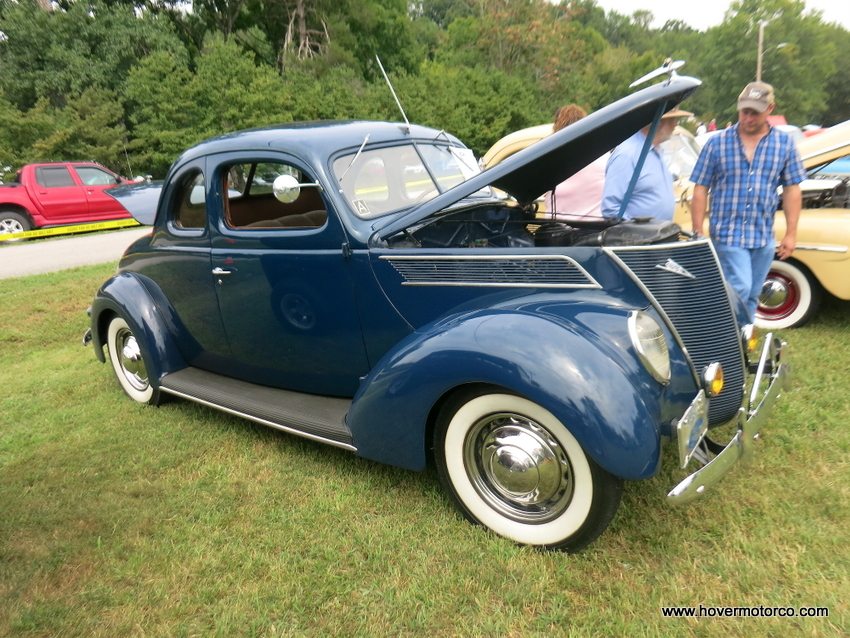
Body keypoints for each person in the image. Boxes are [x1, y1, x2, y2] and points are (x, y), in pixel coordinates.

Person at [690, 81, 806, 321]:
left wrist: (791, 234)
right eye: (745, 111)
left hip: (762, 235)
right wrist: (697, 231)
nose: (748, 118)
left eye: (755, 112)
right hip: (727, 233)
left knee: (753, 293)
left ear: (770, 109)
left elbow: (792, 189)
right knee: (739, 288)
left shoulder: (784, 144)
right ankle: (722, 337)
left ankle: (741, 343)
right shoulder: (717, 143)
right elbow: (700, 188)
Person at [600, 106, 692, 221]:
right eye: (673, 120)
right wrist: (637, 232)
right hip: (638, 237)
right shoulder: (627, 154)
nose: (675, 124)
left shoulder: (655, 150)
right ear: (659, 123)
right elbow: (610, 209)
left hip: (659, 235)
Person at [544, 104, 607, 220]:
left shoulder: (549, 157)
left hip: (557, 230)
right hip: (595, 228)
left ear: (556, 126)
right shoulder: (603, 154)